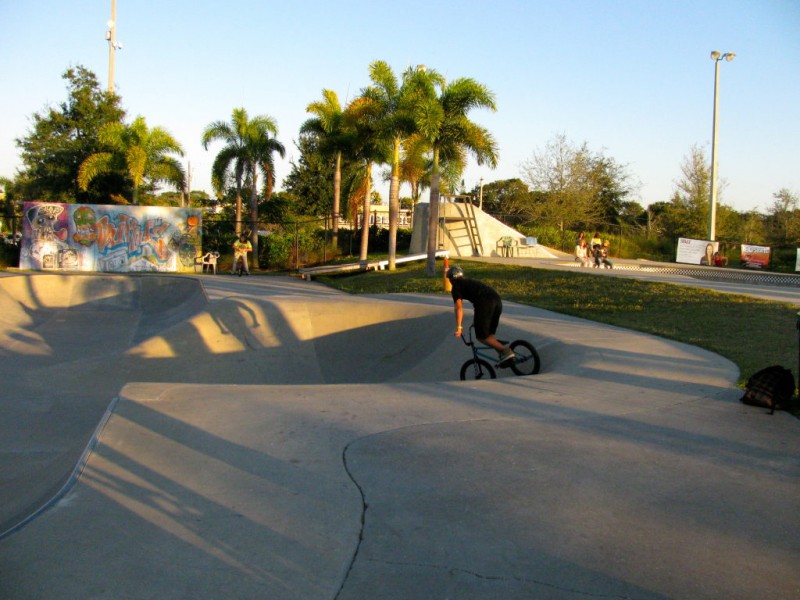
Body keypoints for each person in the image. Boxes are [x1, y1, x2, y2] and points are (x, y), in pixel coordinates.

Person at [447, 266, 515, 367]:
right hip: (497, 300)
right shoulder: (468, 282)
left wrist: (459, 327)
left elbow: (459, 308)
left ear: (451, 279)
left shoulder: (456, 287)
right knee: (489, 335)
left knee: (481, 337)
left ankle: (506, 351)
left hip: (486, 304)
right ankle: (503, 355)